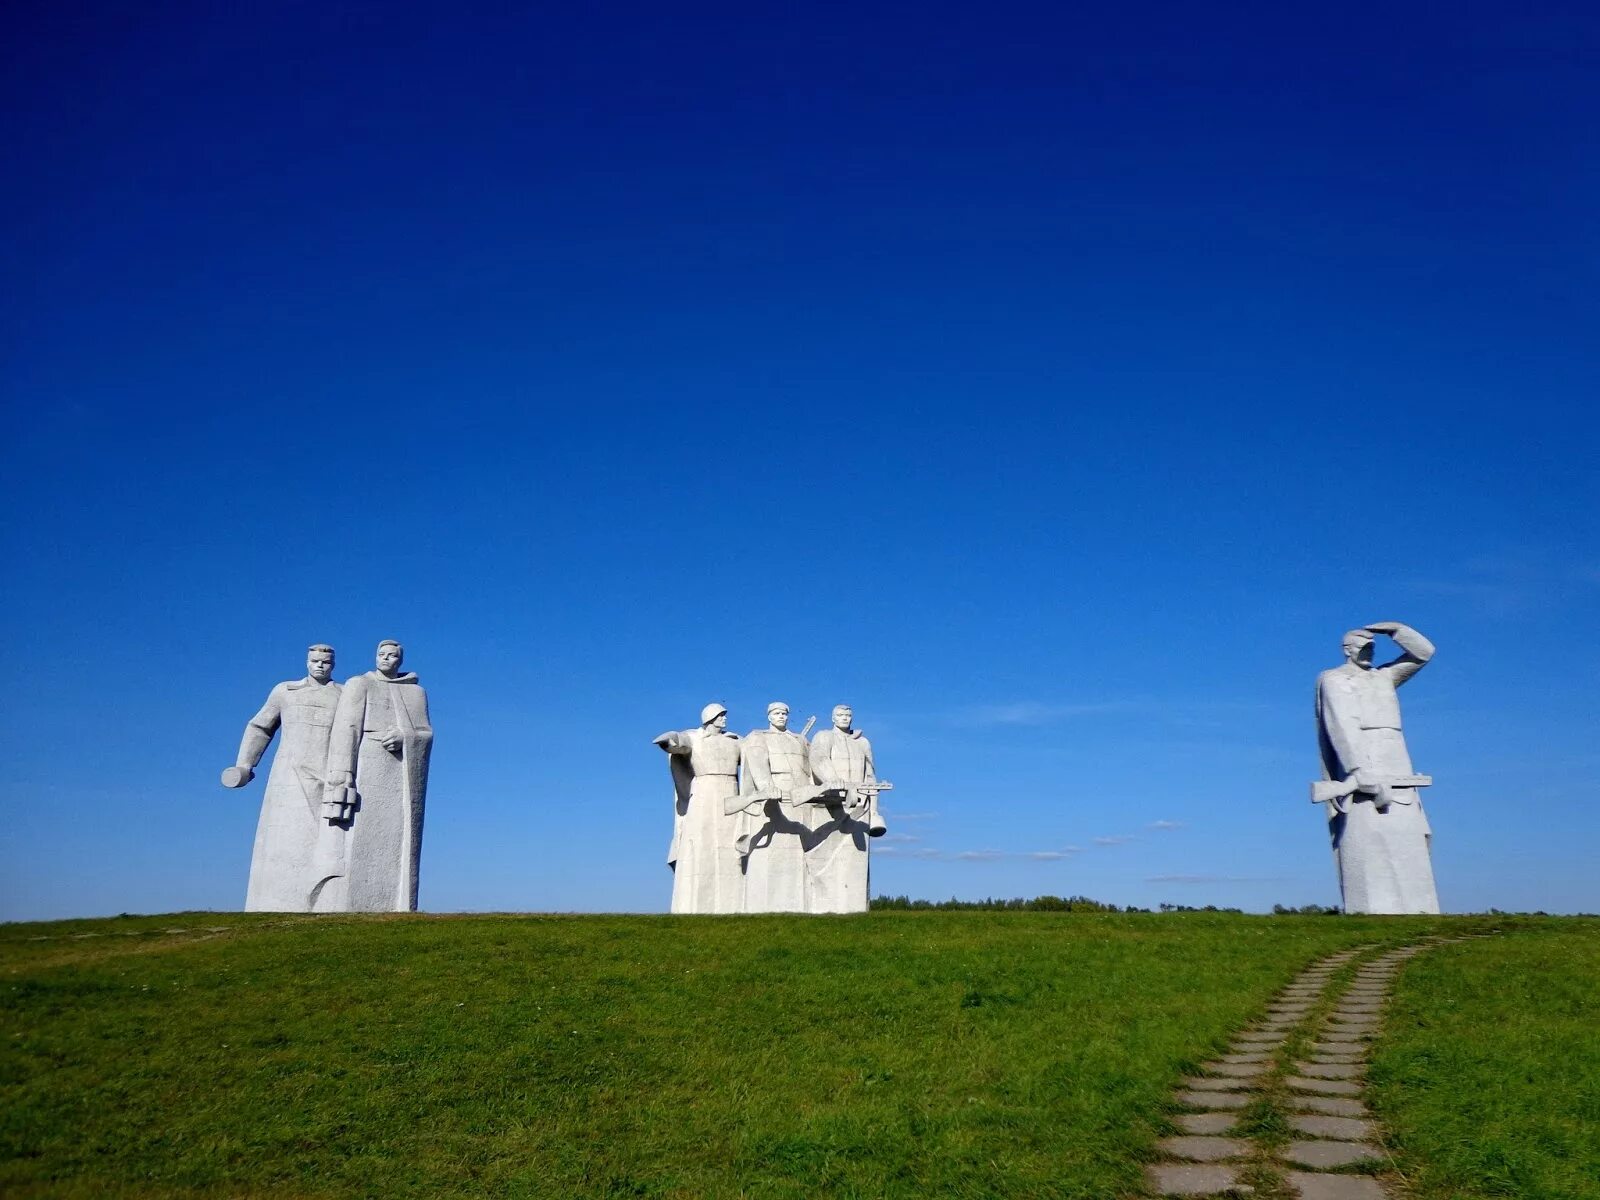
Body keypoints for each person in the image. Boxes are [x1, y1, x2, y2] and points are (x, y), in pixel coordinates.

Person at [1315, 621, 1440, 914]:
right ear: (1348, 650)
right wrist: (1357, 768)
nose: (1369, 651)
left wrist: (1396, 630)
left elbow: (1423, 653)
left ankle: (1418, 908)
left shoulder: (1385, 676)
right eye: (1363, 647)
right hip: (1364, 751)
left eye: (1372, 647)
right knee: (1370, 831)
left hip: (1396, 751)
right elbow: (1340, 725)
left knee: (1410, 829)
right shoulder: (1335, 679)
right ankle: (1375, 906)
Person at [221, 644, 343, 911]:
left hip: (328, 778)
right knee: (284, 841)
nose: (320, 665)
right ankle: (273, 903)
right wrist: (245, 765)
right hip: (288, 778)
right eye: (315, 660)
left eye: (325, 661)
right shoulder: (285, 691)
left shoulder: (344, 695)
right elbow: (260, 726)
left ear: (333, 664)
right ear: (306, 662)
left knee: (324, 843)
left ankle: (322, 902)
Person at [325, 640, 434, 912]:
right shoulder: (359, 684)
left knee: (400, 834)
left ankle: (396, 904)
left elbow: (426, 732)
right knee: (361, 833)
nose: (386, 659)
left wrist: (405, 736)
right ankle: (353, 903)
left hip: (402, 772)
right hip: (367, 763)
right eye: (381, 654)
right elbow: (346, 730)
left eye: (392, 656)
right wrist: (342, 775)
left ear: (400, 660)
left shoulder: (416, 693)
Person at [654, 703, 744, 914]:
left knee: (730, 844)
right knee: (701, 842)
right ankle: (696, 903)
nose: (724, 719)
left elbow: (755, 754)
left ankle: (733, 903)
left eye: (724, 715)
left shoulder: (734, 740)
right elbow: (675, 742)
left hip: (731, 790)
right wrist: (669, 741)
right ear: (709, 718)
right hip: (704, 791)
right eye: (720, 716)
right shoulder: (694, 737)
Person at [737, 701, 826, 912]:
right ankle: (764, 907)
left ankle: (800, 906)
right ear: (769, 716)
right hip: (775, 796)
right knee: (771, 852)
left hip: (800, 796)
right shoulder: (758, 737)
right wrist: (767, 787)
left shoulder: (801, 740)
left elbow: (814, 766)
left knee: (798, 851)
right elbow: (758, 765)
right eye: (777, 713)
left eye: (785, 713)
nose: (781, 717)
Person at [806, 704, 887, 913]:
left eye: (848, 715)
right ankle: (822, 906)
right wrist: (833, 780)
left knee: (855, 861)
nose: (845, 718)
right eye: (841, 715)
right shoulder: (824, 736)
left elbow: (870, 773)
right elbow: (818, 759)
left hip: (859, 801)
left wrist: (873, 803)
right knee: (823, 855)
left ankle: (853, 907)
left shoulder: (862, 742)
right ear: (833, 718)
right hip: (831, 802)